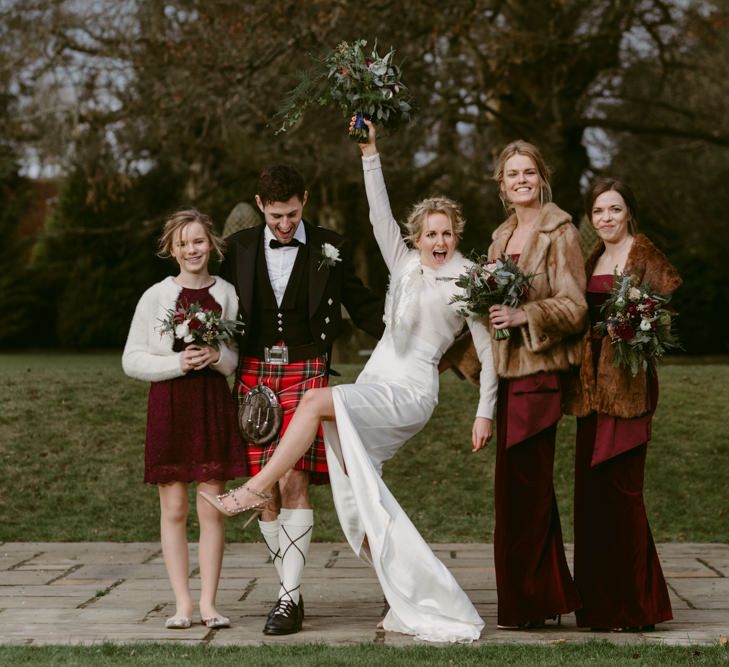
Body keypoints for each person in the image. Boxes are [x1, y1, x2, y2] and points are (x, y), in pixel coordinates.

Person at [201, 120, 498, 643]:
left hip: (382, 384)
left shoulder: (468, 278)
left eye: (447, 232)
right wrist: (370, 151)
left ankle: (256, 500)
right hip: (311, 374)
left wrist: (484, 410)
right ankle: (400, 583)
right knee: (357, 495)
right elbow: (377, 210)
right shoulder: (399, 261)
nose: (438, 240)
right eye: (430, 232)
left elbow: (482, 347)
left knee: (303, 446)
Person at [219, 164, 384, 635]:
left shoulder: (331, 246)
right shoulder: (239, 249)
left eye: (291, 214)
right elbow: (216, 301)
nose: (285, 225)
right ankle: (288, 588)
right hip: (254, 372)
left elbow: (362, 302)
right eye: (275, 217)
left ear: (305, 201)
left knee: (293, 478)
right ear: (259, 206)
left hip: (306, 368)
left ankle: (288, 600)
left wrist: (412, 340)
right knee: (261, 488)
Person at [565, 178, 680, 631]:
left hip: (629, 391)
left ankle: (636, 606)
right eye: (598, 212)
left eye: (614, 209)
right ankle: (598, 605)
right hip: (590, 391)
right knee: (591, 497)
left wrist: (635, 330)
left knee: (624, 497)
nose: (606, 218)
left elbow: (662, 318)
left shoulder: (645, 257)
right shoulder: (591, 259)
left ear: (629, 212)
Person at [122, 209, 246, 630]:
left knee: (211, 509)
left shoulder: (227, 293)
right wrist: (178, 362)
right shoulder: (155, 295)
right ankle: (182, 605)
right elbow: (132, 359)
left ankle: (210, 604)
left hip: (212, 405)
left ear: (210, 243)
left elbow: (235, 360)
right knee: (173, 508)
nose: (192, 249)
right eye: (183, 243)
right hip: (170, 406)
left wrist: (217, 357)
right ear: (171, 249)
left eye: (198, 241)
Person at [485, 140, 586, 629]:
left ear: (541, 177)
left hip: (540, 377)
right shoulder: (500, 238)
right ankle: (538, 598)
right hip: (507, 379)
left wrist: (525, 313)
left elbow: (575, 307)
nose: (520, 180)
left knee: (526, 490)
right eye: (511, 174)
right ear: (502, 186)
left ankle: (530, 603)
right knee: (516, 494)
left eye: (528, 172)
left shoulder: (559, 231)